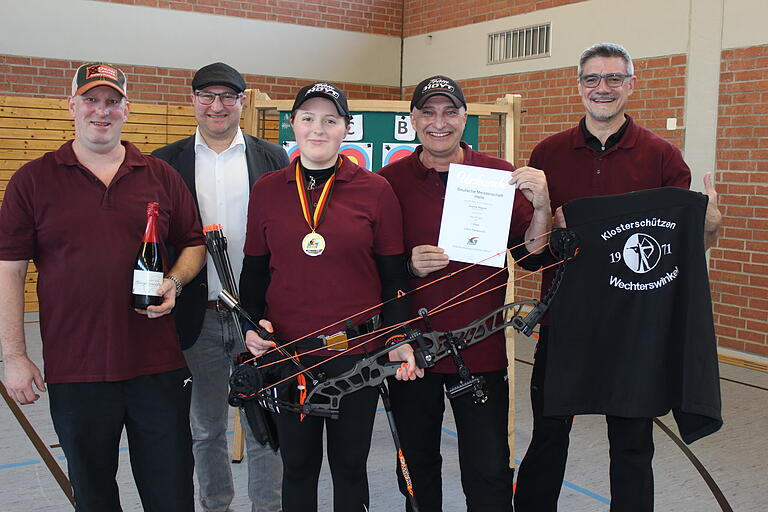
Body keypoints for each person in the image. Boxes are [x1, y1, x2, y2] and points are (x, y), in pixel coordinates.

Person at [514, 42, 722, 512]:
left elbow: (679, 251)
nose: (602, 89)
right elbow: (533, 257)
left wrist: (708, 229)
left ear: (631, 85)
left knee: (631, 447)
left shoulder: (662, 157)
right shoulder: (548, 152)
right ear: (579, 86)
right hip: (564, 323)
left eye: (613, 79)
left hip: (635, 329)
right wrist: (545, 210)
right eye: (591, 79)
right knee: (548, 439)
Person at [0, 63, 206, 511]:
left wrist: (173, 281)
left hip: (156, 365)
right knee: (94, 495)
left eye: (112, 102)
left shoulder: (159, 175)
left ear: (127, 110)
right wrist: (15, 356)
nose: (101, 111)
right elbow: (9, 270)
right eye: (91, 100)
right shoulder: (32, 181)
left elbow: (194, 243)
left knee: (171, 492)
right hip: (77, 369)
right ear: (71, 105)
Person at [240, 82, 423, 512]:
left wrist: (397, 337)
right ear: (293, 126)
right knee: (298, 466)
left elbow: (394, 276)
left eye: (329, 120)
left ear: (346, 129)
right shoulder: (268, 189)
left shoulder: (375, 190)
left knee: (349, 466)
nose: (317, 129)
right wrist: (251, 326)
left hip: (356, 355)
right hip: (290, 356)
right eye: (307, 119)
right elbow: (253, 273)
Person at [378, 75, 552, 512]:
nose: (440, 122)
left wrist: (543, 205)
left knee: (489, 468)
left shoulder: (497, 177)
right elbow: (370, 266)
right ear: (414, 119)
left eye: (450, 111)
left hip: (481, 350)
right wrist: (407, 265)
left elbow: (531, 257)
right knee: (416, 468)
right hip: (411, 354)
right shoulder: (387, 182)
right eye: (429, 112)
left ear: (464, 117)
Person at [152, 62, 287, 512]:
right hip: (197, 315)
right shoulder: (164, 162)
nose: (217, 106)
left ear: (242, 103)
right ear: (193, 100)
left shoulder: (272, 158)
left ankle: (267, 507)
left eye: (227, 97)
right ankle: (216, 506)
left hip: (258, 317)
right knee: (205, 428)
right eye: (207, 96)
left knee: (266, 424)